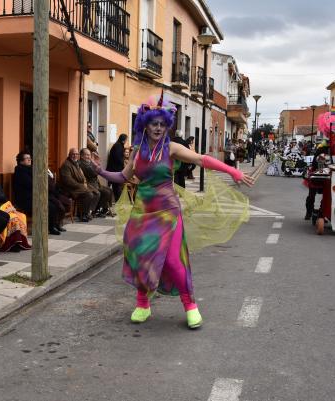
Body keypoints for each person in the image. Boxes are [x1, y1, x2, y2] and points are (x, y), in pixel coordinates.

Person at [93, 96, 254, 328]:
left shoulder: (172, 148)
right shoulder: (137, 151)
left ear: (167, 125)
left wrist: (231, 170)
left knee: (174, 262)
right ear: (145, 125)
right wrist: (99, 170)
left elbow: (201, 159)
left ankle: (190, 305)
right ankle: (142, 304)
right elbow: (123, 176)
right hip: (142, 213)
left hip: (168, 212)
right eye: (153, 123)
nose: (158, 128)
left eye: (162, 123)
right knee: (141, 259)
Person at [12, 152, 67, 235]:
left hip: (35, 196)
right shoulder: (20, 171)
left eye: (30, 158)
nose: (29, 159)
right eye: (27, 158)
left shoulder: (31, 169)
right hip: (26, 199)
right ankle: (51, 227)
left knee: (56, 203)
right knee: (51, 206)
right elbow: (30, 184)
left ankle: (55, 224)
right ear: (21, 161)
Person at [0, 168, 31, 252]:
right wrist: (3, 210)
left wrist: (11, 207)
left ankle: (19, 242)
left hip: (4, 209)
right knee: (13, 218)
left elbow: (4, 199)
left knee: (21, 216)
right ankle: (10, 243)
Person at [59, 148, 99, 222]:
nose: (75, 155)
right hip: (70, 189)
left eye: (76, 154)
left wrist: (85, 184)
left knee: (96, 192)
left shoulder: (76, 163)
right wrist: (81, 186)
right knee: (89, 194)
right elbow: (68, 181)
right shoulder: (66, 165)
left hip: (79, 186)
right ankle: (83, 215)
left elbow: (83, 176)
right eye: (73, 154)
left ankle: (88, 212)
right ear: (69, 155)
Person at [78, 148, 114, 216]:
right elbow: (94, 173)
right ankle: (96, 210)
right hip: (90, 184)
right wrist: (96, 163)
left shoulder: (88, 162)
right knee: (105, 192)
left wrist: (95, 163)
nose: (88, 157)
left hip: (95, 183)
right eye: (86, 155)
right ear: (82, 156)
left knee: (109, 190)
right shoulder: (82, 164)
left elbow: (96, 170)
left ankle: (104, 209)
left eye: (89, 155)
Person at [106, 134, 127, 200]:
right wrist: (123, 164)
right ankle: (118, 201)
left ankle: (117, 201)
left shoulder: (118, 145)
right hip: (115, 170)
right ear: (124, 140)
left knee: (116, 187)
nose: (126, 141)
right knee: (117, 187)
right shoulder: (118, 146)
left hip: (114, 169)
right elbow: (118, 158)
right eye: (126, 140)